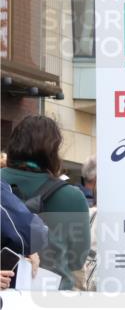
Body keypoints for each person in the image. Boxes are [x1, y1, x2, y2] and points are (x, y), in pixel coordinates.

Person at [2, 116, 90, 289]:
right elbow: (78, 260)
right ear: (53, 152)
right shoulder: (72, 197)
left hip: (5, 298)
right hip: (53, 300)